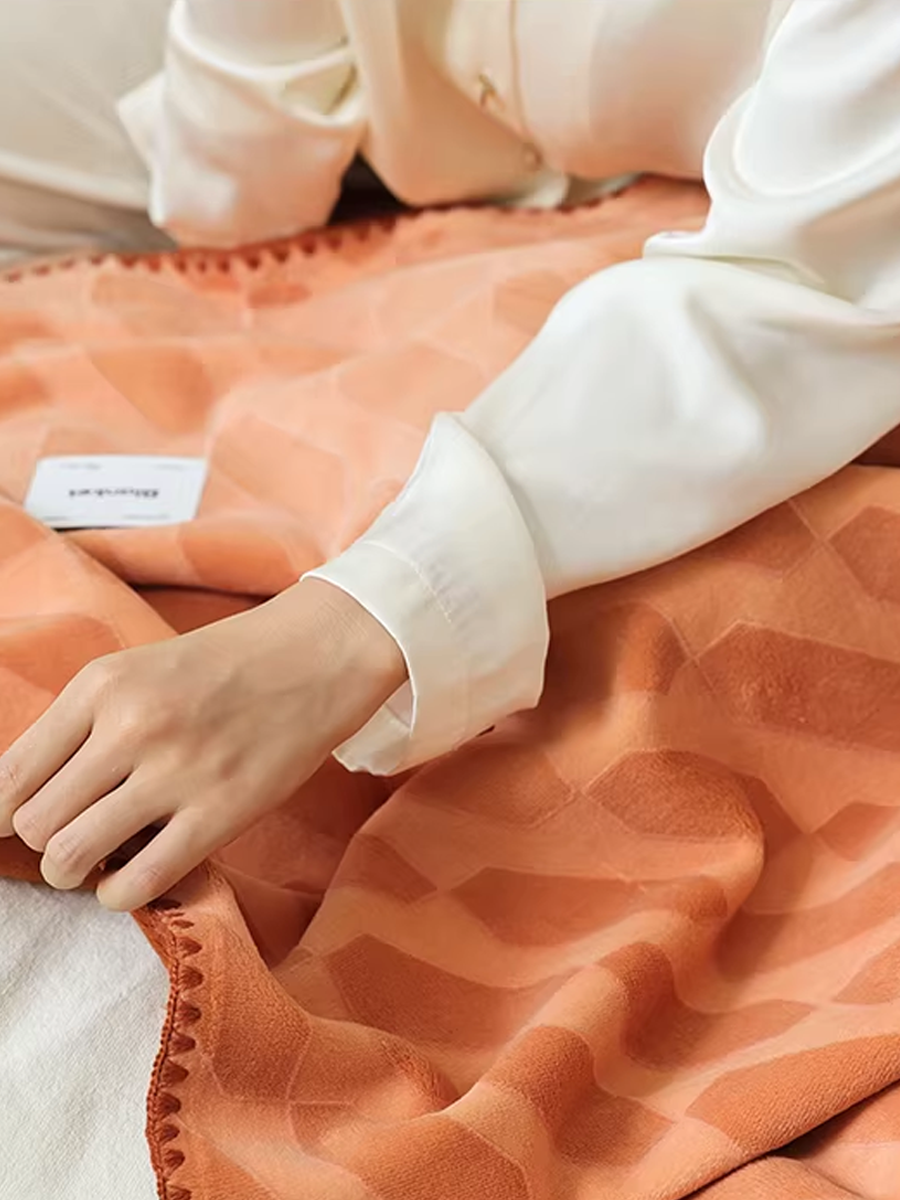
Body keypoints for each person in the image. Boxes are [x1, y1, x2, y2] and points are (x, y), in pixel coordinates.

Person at [2, 0, 900, 912]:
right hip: (416, 192)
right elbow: (233, 197)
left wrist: (349, 629)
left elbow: (800, 290)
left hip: (760, 261)